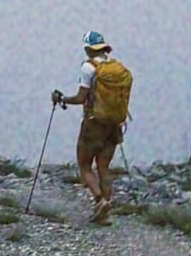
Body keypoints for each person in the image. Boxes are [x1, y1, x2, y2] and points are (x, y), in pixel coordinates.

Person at [52, 33, 134, 220]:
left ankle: (99, 201)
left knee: (85, 166)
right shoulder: (117, 68)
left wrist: (61, 99)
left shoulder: (89, 68)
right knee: (104, 168)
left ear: (88, 48)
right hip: (114, 124)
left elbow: (81, 98)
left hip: (94, 123)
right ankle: (104, 212)